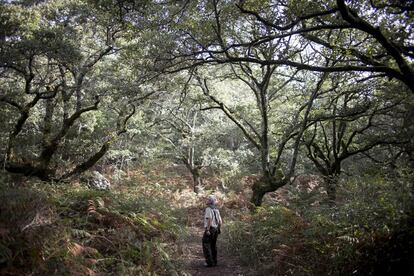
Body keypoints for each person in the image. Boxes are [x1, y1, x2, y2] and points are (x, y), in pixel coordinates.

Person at [202, 195, 223, 267]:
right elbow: (220, 221)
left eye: (208, 200)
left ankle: (209, 262)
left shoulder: (208, 209)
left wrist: (207, 229)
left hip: (210, 229)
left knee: (206, 244)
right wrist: (219, 228)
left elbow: (210, 219)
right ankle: (214, 261)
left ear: (210, 201)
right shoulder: (216, 209)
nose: (207, 201)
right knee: (213, 245)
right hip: (216, 229)